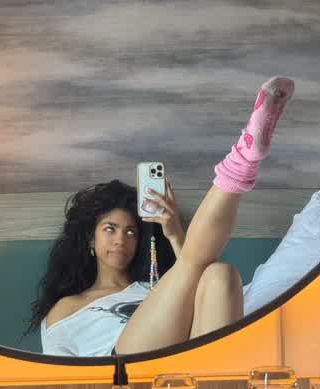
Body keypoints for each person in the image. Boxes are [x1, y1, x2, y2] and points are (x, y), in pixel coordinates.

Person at [28, 76, 295, 357]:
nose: (121, 239)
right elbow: (58, 376)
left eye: (130, 231)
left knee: (220, 275)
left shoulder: (152, 288)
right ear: (90, 239)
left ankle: (245, 157)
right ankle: (242, 160)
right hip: (122, 368)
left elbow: (197, 283)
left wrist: (175, 232)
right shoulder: (67, 307)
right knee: (197, 268)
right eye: (110, 228)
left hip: (188, 364)